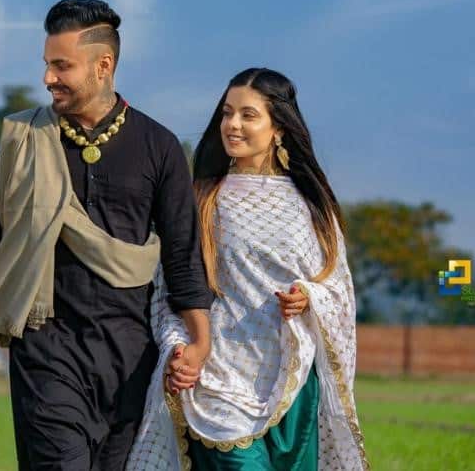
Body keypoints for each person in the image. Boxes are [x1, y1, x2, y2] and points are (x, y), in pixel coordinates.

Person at [0, 0, 213, 470]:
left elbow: (184, 258)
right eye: (47, 65)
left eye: (61, 66)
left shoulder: (159, 147)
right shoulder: (26, 141)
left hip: (132, 358)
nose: (48, 78)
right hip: (46, 348)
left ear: (103, 66)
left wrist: (199, 343)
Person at [127, 68, 369, 471]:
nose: (232, 125)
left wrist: (308, 297)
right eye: (227, 113)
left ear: (279, 128)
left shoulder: (312, 207)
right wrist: (179, 347)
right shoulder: (202, 200)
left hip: (293, 381)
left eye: (248, 115)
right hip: (218, 379)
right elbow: (172, 290)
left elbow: (339, 289)